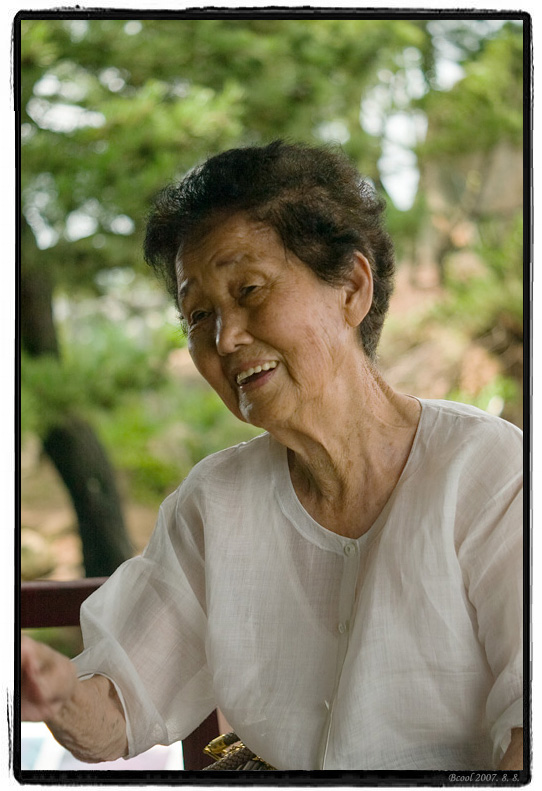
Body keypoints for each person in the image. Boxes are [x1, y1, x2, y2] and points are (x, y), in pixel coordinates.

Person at [21, 140, 524, 771]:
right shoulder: (216, 502)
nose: (226, 337)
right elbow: (114, 715)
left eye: (250, 290)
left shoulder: (487, 472)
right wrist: (54, 691)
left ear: (352, 288)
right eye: (198, 315)